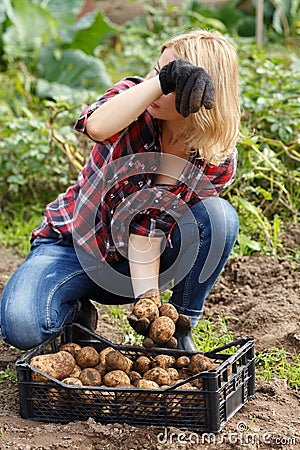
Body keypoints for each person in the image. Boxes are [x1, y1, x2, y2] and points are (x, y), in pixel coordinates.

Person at [0, 29, 240, 351]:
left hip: (132, 264)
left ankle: (179, 331)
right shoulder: (135, 103)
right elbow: (96, 126)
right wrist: (159, 83)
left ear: (197, 96)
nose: (156, 84)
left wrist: (150, 308)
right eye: (158, 71)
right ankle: (75, 313)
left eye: (171, 83)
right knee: (22, 325)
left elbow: (147, 228)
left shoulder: (215, 159)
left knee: (219, 218)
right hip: (73, 248)